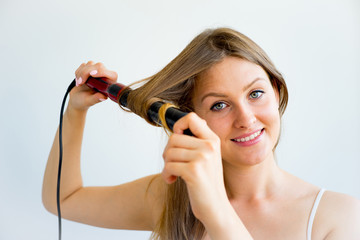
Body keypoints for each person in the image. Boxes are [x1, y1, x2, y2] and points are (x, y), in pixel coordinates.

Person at [42, 27, 360, 239]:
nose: (246, 118)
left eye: (255, 93)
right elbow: (63, 199)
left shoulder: (336, 217)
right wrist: (76, 112)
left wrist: (216, 213)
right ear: (191, 119)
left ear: (276, 92)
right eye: (219, 105)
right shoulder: (169, 198)